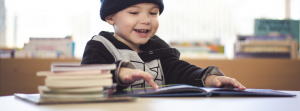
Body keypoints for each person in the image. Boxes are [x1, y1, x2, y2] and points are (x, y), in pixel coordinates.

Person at [81, 0, 246, 91]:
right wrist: (119, 72)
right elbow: (86, 77)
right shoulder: (100, 45)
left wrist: (211, 79)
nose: (146, 20)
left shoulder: (158, 48)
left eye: (153, 13)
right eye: (134, 12)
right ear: (110, 18)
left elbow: (181, 72)